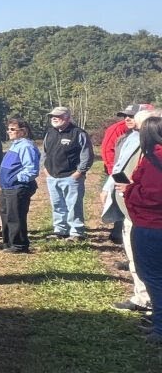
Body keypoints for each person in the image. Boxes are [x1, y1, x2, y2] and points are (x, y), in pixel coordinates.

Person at [106, 107, 156, 313]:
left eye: (138, 122)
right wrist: (108, 188)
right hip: (131, 207)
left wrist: (130, 189)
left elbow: (152, 190)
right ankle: (142, 297)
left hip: (144, 213)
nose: (131, 122)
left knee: (147, 262)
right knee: (135, 256)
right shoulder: (130, 139)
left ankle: (150, 303)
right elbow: (119, 165)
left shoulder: (153, 153)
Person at [123, 114, 162, 346]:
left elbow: (153, 196)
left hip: (151, 226)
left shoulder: (155, 159)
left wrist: (129, 190)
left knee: (154, 278)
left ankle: (160, 327)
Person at [43, 106, 94, 241]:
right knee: (57, 205)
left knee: (73, 206)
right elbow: (45, 152)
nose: (54, 118)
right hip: (52, 176)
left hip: (71, 176)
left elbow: (87, 155)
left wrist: (79, 172)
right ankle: (60, 230)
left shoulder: (78, 133)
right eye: (52, 116)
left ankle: (76, 232)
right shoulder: (50, 132)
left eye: (58, 116)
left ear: (67, 118)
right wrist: (45, 169)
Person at [103, 104, 152, 247]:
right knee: (126, 224)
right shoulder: (124, 138)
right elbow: (118, 164)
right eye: (125, 116)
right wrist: (108, 186)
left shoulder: (149, 139)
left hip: (139, 190)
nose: (127, 119)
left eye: (132, 116)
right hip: (123, 187)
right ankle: (131, 258)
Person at [0, 118, 40, 253]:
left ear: (23, 131)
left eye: (12, 129)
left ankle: (19, 245)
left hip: (17, 187)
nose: (8, 132)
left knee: (15, 216)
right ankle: (8, 243)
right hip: (7, 187)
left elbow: (31, 169)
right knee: (6, 214)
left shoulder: (26, 146)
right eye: (8, 129)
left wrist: (16, 179)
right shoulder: (15, 144)